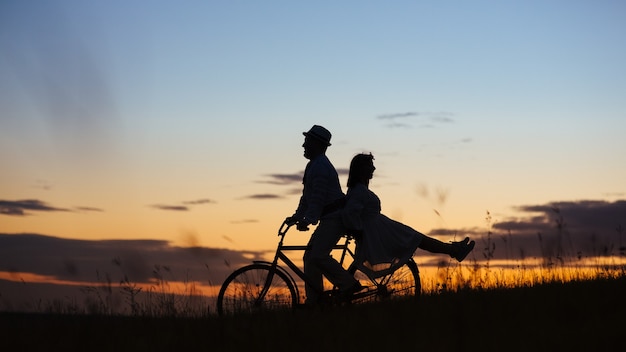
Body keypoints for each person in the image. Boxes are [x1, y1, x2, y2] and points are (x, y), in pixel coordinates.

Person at [341, 153, 475, 278]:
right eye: (370, 165)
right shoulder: (359, 191)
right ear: (361, 169)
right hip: (378, 232)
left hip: (382, 229)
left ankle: (454, 249)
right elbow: (350, 214)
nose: (374, 168)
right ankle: (454, 250)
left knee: (419, 239)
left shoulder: (359, 190)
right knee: (419, 239)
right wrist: (358, 231)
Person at [286, 125, 363, 305]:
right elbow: (307, 198)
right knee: (310, 257)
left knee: (317, 255)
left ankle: (348, 284)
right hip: (329, 218)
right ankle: (315, 301)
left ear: (317, 144)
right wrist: (298, 216)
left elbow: (318, 198)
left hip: (335, 218)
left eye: (307, 141)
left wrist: (308, 219)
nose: (303, 145)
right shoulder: (313, 165)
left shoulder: (320, 166)